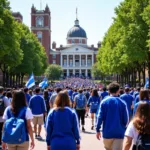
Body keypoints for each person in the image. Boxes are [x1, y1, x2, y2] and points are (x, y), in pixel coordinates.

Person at [96, 82, 129, 150]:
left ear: (109, 91)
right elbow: (126, 119)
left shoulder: (104, 102)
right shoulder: (122, 103)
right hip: (119, 132)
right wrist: (123, 128)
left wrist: (98, 129)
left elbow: (99, 117)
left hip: (107, 132)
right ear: (118, 90)